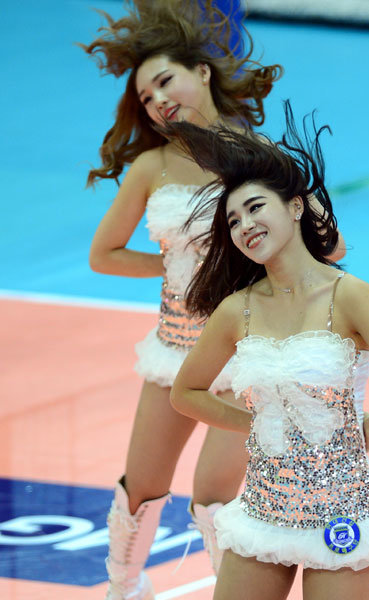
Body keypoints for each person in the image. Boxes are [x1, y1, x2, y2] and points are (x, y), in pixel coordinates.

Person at [169, 104, 369, 600]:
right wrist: (256, 423)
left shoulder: (350, 295)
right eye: (233, 220)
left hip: (343, 513)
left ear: (295, 207)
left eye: (256, 208)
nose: (245, 225)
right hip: (262, 512)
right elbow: (185, 392)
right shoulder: (236, 310)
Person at [81, 1, 290, 598]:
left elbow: (325, 243)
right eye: (145, 98)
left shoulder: (259, 154)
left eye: (164, 81)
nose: (157, 101)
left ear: (202, 70)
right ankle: (124, 588)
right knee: (141, 487)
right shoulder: (151, 165)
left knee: (215, 498)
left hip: (244, 357)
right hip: (174, 351)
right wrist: (177, 268)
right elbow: (104, 254)